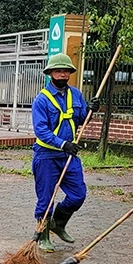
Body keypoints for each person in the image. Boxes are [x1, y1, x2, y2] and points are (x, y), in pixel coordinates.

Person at [31, 53, 98, 249]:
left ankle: (58, 224)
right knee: (46, 199)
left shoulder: (76, 94)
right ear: (50, 73)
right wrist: (62, 144)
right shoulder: (41, 100)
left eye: (66, 71)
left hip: (69, 155)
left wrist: (92, 110)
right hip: (46, 156)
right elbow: (41, 130)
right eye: (58, 71)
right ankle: (43, 235)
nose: (62, 74)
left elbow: (82, 118)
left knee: (78, 194)